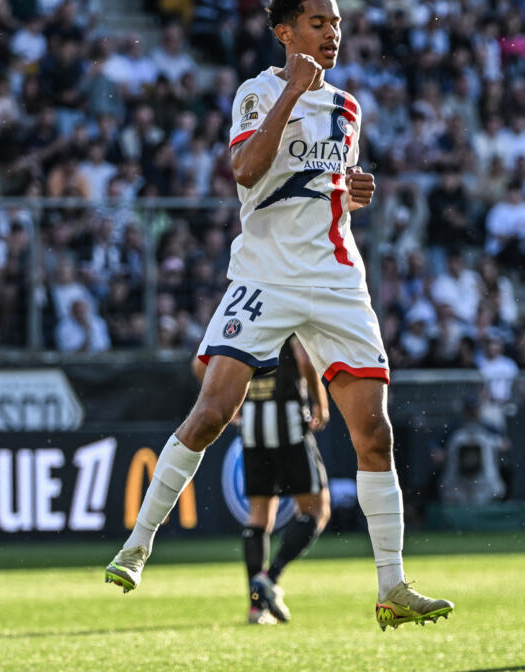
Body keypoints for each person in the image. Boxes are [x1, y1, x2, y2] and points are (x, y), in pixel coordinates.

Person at [105, 0, 453, 632]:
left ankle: (392, 585)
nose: (331, 35)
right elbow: (244, 170)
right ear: (284, 31)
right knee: (212, 413)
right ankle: (137, 545)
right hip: (266, 276)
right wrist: (292, 91)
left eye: (338, 25)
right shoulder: (257, 92)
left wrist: (353, 191)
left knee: (374, 434)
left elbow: (326, 189)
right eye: (318, 24)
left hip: (336, 278)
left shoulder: (348, 107)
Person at [193, 337, 331, 625]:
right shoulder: (289, 315)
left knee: (258, 517)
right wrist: (320, 402)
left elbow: (199, 364)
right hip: (290, 427)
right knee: (316, 510)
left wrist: (228, 403)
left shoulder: (242, 318)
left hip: (252, 429)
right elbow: (305, 361)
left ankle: (256, 608)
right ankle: (271, 577)